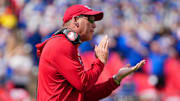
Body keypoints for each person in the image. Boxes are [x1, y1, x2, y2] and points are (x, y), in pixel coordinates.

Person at [36, 4, 146, 101]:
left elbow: (85, 95)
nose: (94, 25)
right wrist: (100, 62)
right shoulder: (61, 45)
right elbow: (83, 84)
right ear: (75, 21)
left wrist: (116, 78)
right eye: (90, 20)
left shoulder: (67, 45)